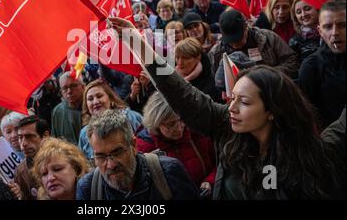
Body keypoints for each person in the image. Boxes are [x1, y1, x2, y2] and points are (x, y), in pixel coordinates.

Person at [108, 16, 345, 199]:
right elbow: (177, 89)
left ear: (273, 110)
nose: (231, 108)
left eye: (244, 102)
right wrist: (137, 44)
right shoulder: (226, 127)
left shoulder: (314, 155)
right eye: (233, 98)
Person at [76, 110, 200, 200]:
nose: (111, 164)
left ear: (133, 145)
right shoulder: (88, 189)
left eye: (117, 152)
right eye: (101, 156)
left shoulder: (169, 172)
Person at [136, 92, 217, 195]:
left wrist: (210, 181)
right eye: (171, 124)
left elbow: (218, 162)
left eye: (181, 120)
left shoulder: (196, 130)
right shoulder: (145, 146)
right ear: (156, 123)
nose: (179, 128)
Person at [209, 9, 299, 79]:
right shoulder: (216, 53)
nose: (235, 45)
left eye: (238, 39)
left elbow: (292, 62)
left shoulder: (268, 38)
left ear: (246, 27)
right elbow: (214, 80)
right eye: (230, 41)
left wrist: (267, 74)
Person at [299, 0, 346, 129]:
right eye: (328, 26)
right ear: (320, 31)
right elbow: (307, 114)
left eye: (343, 25)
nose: (335, 32)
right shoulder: (311, 66)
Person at [78, 79, 143, 160]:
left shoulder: (132, 118)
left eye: (99, 96)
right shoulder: (84, 134)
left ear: (111, 98)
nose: (95, 102)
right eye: (90, 99)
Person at [13, 115, 50, 200]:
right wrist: (19, 196)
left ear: (45, 135)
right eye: (20, 137)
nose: (23, 144)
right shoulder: (21, 172)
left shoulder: (64, 160)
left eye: (29, 136)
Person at [175, 37, 221, 103]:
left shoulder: (211, 85)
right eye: (177, 57)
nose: (180, 62)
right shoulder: (171, 78)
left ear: (198, 57)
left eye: (185, 58)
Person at [51, 72, 85, 145]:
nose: (69, 91)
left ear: (83, 87)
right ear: (61, 92)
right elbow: (55, 141)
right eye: (65, 88)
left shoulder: (92, 106)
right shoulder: (57, 111)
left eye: (73, 86)